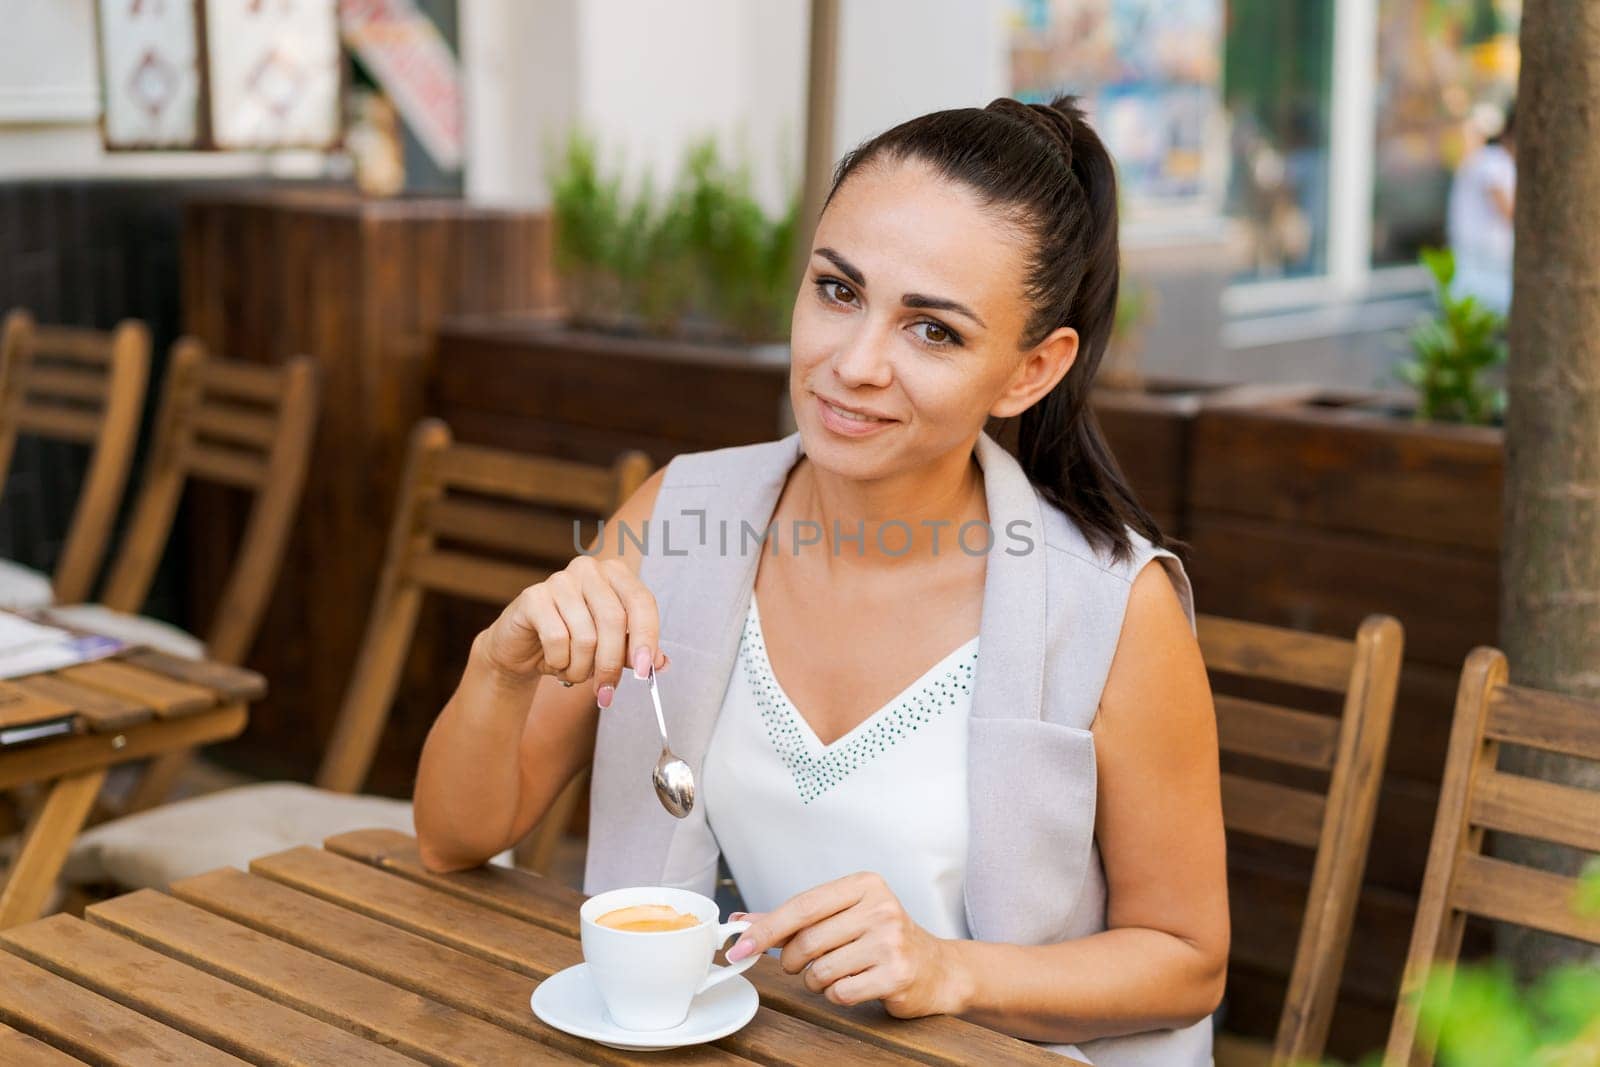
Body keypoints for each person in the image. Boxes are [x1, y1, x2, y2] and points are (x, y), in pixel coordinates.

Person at [413, 94, 1228, 1064]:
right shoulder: (682, 517)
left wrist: (950, 969)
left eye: (932, 331)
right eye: (838, 291)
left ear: (1029, 370)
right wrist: (500, 671)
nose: (853, 363)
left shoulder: (1107, 605)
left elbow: (1185, 959)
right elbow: (453, 839)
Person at [1447, 103, 1516, 314]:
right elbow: (1510, 213)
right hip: (1485, 274)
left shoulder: (1485, 161)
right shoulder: (1494, 163)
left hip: (1480, 272)